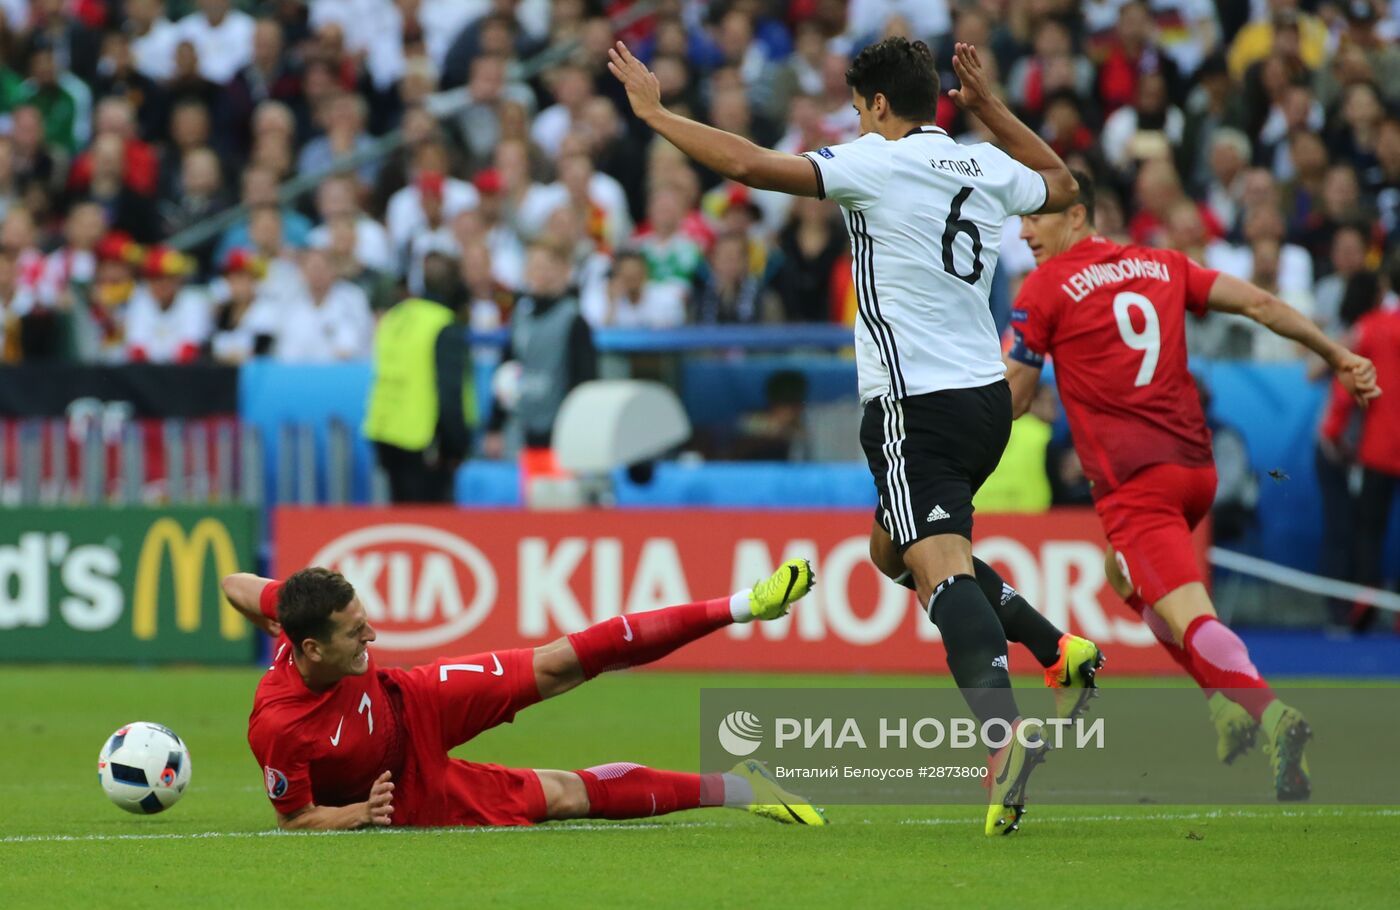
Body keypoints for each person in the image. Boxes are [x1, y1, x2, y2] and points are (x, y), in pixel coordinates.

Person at [608, 36, 1094, 837]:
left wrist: (657, 113)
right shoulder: (982, 163)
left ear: (874, 106)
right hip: (984, 402)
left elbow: (752, 167)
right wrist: (993, 108)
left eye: (857, 107)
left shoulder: (876, 161)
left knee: (938, 572)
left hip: (914, 404)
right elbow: (1063, 183)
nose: (855, 121)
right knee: (890, 549)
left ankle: (1004, 740)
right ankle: (1056, 647)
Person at [1007, 170, 1380, 801]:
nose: (1025, 231)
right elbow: (1262, 304)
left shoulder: (1043, 289)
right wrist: (1337, 355)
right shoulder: (1162, 264)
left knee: (1190, 613)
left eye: (1037, 217)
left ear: (1079, 217)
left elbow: (1014, 399)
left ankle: (1271, 715)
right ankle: (1223, 705)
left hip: (1136, 484)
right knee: (1122, 576)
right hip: (1196, 470)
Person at [223, 561, 825, 830]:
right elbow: (295, 819)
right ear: (311, 650)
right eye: (356, 633)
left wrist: (269, 611)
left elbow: (234, 584)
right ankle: (744, 787)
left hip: (411, 699)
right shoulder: (279, 726)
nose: (373, 634)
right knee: (562, 795)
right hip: (401, 792)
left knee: (560, 662)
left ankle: (744, 604)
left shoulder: (302, 618)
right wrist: (358, 814)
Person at [364, 252, 476, 504]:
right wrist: (457, 444)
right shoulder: (443, 324)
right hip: (425, 438)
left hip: (385, 429)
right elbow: (448, 391)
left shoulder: (396, 316)